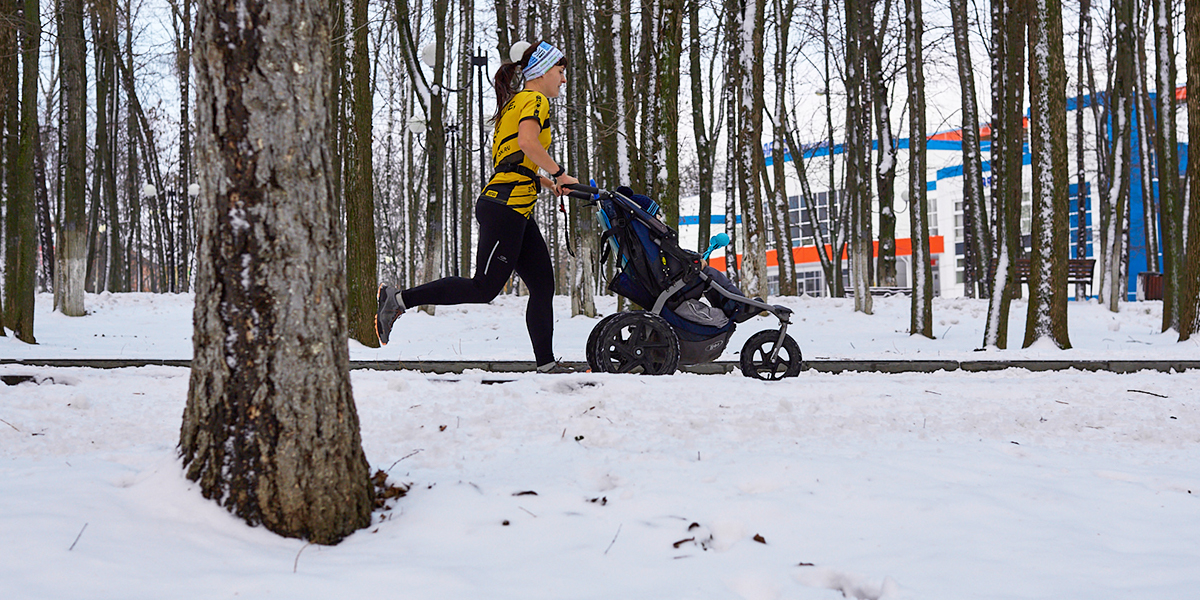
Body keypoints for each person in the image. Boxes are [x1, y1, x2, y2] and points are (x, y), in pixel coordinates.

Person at [375, 41, 579, 373]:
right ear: (542, 71)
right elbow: (528, 142)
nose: (563, 79)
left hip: (515, 205)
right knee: (484, 287)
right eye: (560, 71)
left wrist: (545, 181)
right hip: (505, 206)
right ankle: (397, 301)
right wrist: (558, 172)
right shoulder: (535, 100)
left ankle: (545, 365)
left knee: (542, 284)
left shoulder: (516, 102)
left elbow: (513, 157)